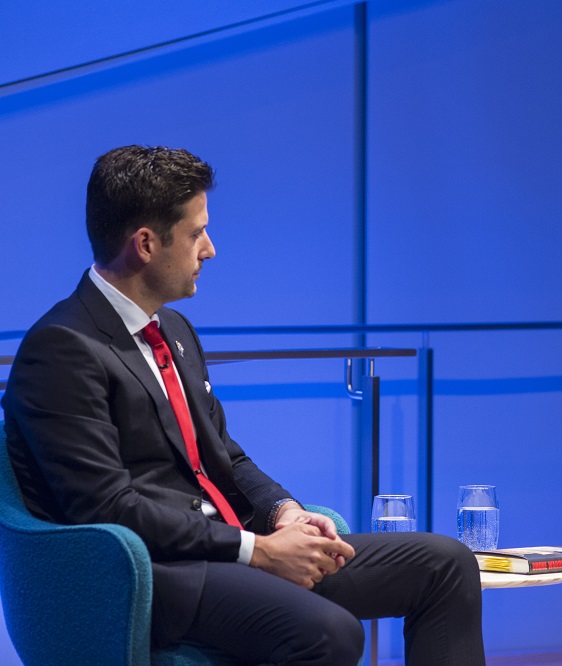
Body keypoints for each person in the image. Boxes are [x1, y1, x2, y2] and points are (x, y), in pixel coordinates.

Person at [2, 145, 486, 665]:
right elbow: (107, 508)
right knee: (328, 632)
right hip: (157, 576)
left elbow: (226, 457)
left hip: (229, 549)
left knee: (446, 564)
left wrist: (285, 513)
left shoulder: (176, 332)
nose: (209, 249)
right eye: (196, 233)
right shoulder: (63, 348)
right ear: (144, 243)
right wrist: (257, 552)